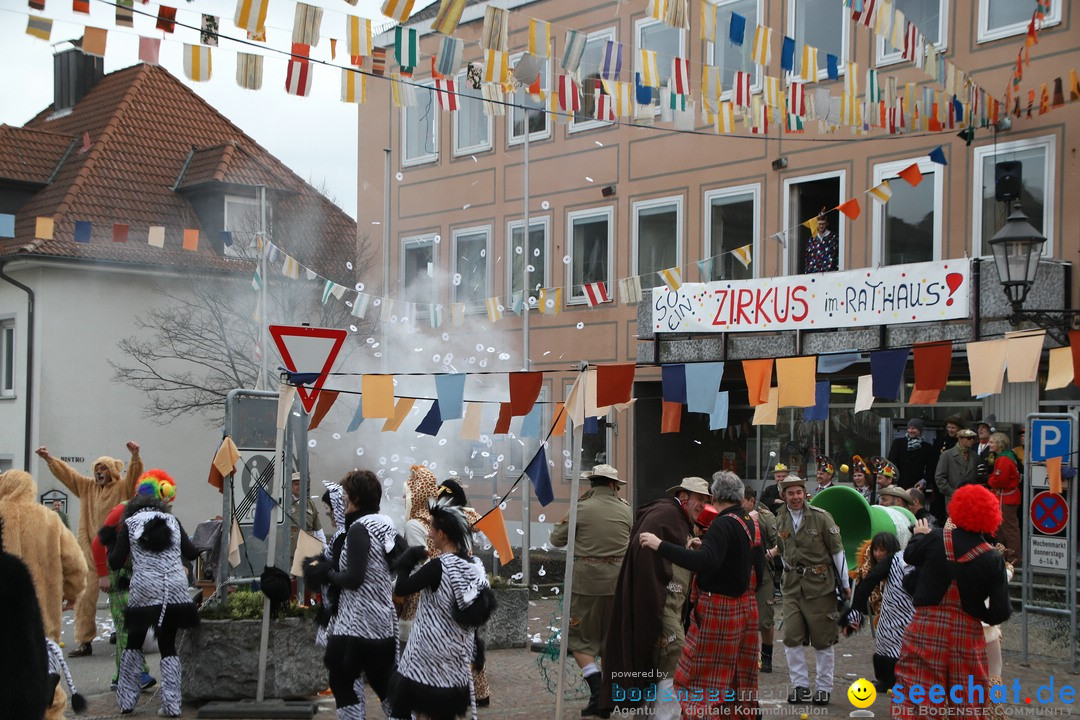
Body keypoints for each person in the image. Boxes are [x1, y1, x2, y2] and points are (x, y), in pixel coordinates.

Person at [639, 472, 761, 719]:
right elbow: (749, 563)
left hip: (719, 609)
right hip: (742, 608)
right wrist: (705, 545)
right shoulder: (747, 519)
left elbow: (706, 562)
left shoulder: (723, 523)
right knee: (735, 677)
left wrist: (659, 545)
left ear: (714, 497)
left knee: (700, 680)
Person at [892, 485, 1011, 720]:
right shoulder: (992, 557)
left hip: (926, 628)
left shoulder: (935, 538)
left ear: (956, 510)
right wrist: (978, 614)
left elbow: (909, 556)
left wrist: (918, 535)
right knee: (967, 700)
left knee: (918, 696)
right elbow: (1000, 611)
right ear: (990, 517)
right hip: (967, 633)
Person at [598, 476, 711, 718]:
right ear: (684, 497)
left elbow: (666, 552)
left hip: (667, 602)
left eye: (705, 500)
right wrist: (654, 601)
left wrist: (687, 548)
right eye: (698, 499)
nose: (702, 505)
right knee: (674, 658)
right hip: (660, 602)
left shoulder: (676, 517)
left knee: (657, 665)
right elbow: (648, 561)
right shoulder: (666, 516)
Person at [307, 469, 405, 720]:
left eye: (346, 494)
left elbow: (353, 578)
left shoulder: (359, 529)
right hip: (379, 624)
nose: (342, 499)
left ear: (356, 498)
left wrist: (327, 573)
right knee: (385, 686)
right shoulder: (383, 523)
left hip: (357, 627)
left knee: (343, 681)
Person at [387, 498, 495, 720]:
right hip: (456, 656)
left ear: (443, 534)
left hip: (426, 656)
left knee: (401, 709)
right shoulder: (476, 566)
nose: (429, 534)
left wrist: (407, 560)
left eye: (432, 530)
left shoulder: (438, 567)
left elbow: (402, 588)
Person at [104, 469, 198, 718]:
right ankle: (172, 705)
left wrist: (109, 544)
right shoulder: (173, 522)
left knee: (133, 644)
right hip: (175, 591)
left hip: (144, 591)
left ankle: (126, 701)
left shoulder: (130, 523)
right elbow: (191, 551)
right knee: (168, 645)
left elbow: (115, 562)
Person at [36, 441, 143, 657]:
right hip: (90, 553)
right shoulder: (87, 488)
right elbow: (69, 475)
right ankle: (84, 641)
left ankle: (122, 634)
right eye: (96, 469)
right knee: (84, 599)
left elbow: (134, 478)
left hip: (117, 552)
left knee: (120, 595)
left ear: (112, 471)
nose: (99, 473)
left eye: (103, 469)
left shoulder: (122, 488)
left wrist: (135, 457)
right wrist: (49, 459)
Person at [0, 469, 87, 720]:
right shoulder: (50, 519)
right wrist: (71, 594)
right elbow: (76, 565)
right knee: (46, 685)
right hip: (41, 618)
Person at [549, 464, 633, 718]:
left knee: (579, 639)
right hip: (618, 584)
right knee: (610, 642)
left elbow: (556, 539)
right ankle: (606, 698)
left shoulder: (582, 509)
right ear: (612, 485)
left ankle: (597, 688)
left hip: (587, 584)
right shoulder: (626, 510)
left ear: (592, 484)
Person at [767, 475, 850, 706]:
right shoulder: (780, 518)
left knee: (823, 640)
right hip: (792, 586)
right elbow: (783, 550)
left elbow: (838, 553)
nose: (795, 497)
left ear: (805, 494)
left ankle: (823, 688)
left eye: (799, 493)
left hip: (820, 587)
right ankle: (800, 686)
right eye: (790, 493)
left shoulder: (822, 518)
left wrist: (844, 586)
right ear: (783, 496)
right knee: (791, 638)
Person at [92, 475, 164, 693]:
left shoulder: (152, 515)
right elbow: (98, 542)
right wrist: (102, 574)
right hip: (116, 574)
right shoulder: (121, 511)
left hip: (132, 575)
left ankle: (120, 676)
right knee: (127, 625)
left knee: (133, 624)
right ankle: (136, 672)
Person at [436, 478, 492, 708]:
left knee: (457, 639)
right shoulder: (469, 515)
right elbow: (485, 539)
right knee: (470, 639)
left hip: (453, 581)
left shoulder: (445, 518)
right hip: (470, 582)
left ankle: (460, 691)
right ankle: (480, 693)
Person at [843, 532, 914, 692]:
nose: (878, 554)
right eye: (876, 550)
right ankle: (887, 680)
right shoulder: (891, 562)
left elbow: (869, 582)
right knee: (884, 642)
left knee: (899, 645)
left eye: (882, 550)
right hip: (889, 612)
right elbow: (868, 582)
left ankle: (899, 680)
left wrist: (854, 612)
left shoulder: (898, 560)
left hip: (908, 612)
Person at [398, 465, 441, 643]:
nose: (402, 498)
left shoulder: (414, 524)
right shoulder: (436, 521)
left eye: (406, 494)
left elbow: (420, 565)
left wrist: (396, 585)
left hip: (418, 596)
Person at [743, 487, 779, 673]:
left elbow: (780, 544)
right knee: (744, 621)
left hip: (763, 576)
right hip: (742, 576)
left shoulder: (765, 517)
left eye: (743, 501)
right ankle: (749, 656)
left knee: (765, 620)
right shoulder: (736, 516)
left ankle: (767, 657)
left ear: (751, 500)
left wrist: (768, 555)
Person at [986, 432, 1021, 564]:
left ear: (999, 444)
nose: (990, 445)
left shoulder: (1003, 460)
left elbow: (1000, 481)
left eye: (992, 442)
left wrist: (989, 479)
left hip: (1005, 498)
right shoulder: (1007, 457)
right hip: (1005, 496)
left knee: (1009, 528)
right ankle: (1004, 555)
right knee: (1001, 528)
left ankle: (1013, 557)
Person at [935, 428, 979, 510]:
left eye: (973, 438)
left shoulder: (975, 456)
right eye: (969, 438)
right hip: (953, 499)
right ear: (960, 439)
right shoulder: (947, 455)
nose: (972, 440)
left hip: (971, 500)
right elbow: (939, 478)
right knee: (953, 521)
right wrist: (953, 492)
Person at [888, 419, 937, 491]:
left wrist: (924, 481)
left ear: (920, 430)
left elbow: (931, 468)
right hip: (900, 485)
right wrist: (892, 481)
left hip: (917, 485)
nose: (910, 430)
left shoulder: (927, 447)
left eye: (913, 428)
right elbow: (891, 463)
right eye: (909, 428)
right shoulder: (898, 443)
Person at [289, 471, 325, 560]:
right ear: (291, 486)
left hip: (308, 549)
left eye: (302, 484)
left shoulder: (310, 503)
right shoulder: (285, 503)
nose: (299, 487)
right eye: (296, 484)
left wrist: (325, 548)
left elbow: (318, 529)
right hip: (290, 550)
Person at [804, 209, 838, 273]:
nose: (821, 226)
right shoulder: (812, 239)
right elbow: (808, 257)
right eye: (819, 224)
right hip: (814, 272)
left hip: (830, 273)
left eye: (823, 224)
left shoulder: (834, 237)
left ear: (827, 224)